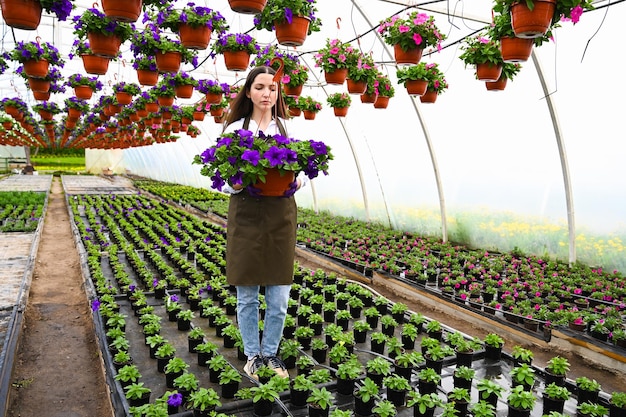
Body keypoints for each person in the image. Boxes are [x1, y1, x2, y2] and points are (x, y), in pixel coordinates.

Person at [220, 66, 307, 380]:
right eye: (260, 87)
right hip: (246, 213)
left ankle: (271, 354)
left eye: (272, 88)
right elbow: (222, 177)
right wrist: (240, 183)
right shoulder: (233, 130)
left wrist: (297, 184)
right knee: (246, 293)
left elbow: (300, 172)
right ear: (248, 91)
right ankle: (252, 356)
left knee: (279, 295)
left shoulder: (286, 127)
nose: (267, 94)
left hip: (280, 215)